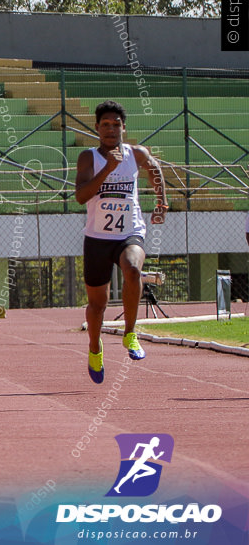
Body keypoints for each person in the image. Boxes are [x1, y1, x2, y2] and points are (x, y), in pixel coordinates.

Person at [75, 100, 166, 384]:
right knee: (97, 305)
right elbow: (81, 196)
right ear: (97, 128)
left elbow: (155, 170)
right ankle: (94, 347)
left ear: (124, 128)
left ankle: (130, 332)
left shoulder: (135, 154)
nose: (111, 129)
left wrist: (161, 201)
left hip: (130, 233)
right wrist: (107, 170)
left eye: (116, 124)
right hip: (98, 238)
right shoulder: (88, 158)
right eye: (105, 125)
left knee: (133, 269)